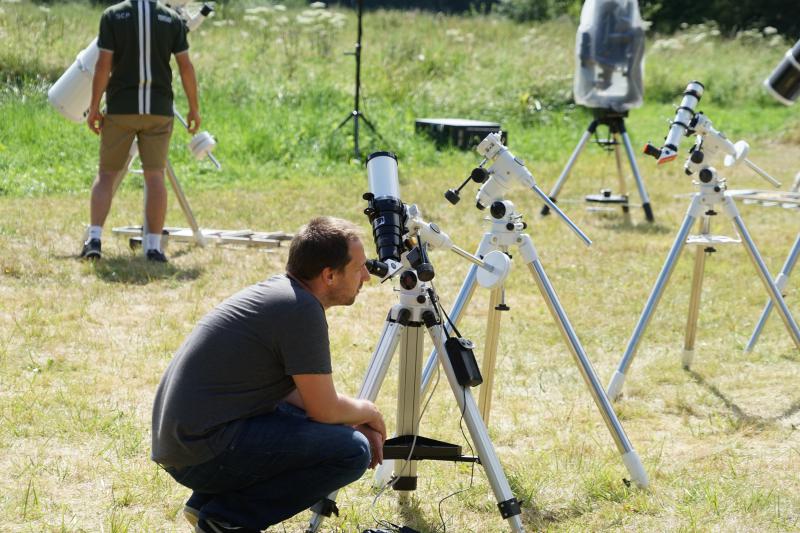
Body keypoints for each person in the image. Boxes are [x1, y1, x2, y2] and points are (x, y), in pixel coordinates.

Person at [151, 217, 386, 533]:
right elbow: (325, 409)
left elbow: (298, 397)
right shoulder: (300, 310)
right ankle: (227, 518)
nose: (367, 277)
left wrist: (346, 417)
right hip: (201, 450)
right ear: (329, 275)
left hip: (186, 444)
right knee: (352, 450)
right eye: (359, 268)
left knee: (319, 425)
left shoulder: (282, 295)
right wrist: (368, 412)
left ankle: (207, 502)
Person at [81, 0, 201, 262]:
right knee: (155, 176)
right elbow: (185, 67)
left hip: (121, 108)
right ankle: (153, 247)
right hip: (158, 110)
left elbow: (103, 66)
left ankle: (95, 239)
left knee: (106, 174)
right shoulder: (172, 19)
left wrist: (93, 107)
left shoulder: (112, 15)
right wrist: (194, 108)